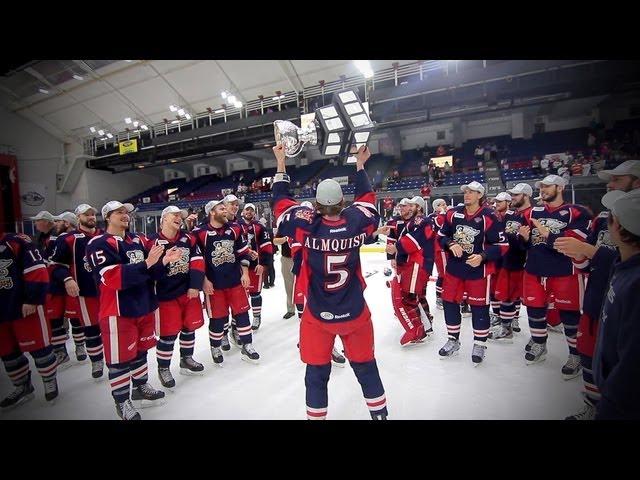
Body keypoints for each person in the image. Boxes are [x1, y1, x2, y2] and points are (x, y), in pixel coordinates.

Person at [272, 143, 388, 420]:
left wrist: (281, 162)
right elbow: (368, 198)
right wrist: (360, 165)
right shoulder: (359, 219)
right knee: (366, 368)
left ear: (317, 204)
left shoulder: (306, 223)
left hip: (317, 314)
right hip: (355, 311)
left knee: (316, 374)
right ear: (342, 202)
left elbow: (280, 204)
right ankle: (380, 415)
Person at [86, 201, 180, 420]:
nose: (125, 215)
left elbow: (152, 271)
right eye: (119, 212)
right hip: (118, 310)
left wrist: (163, 261)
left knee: (140, 351)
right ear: (107, 217)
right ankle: (122, 401)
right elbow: (112, 278)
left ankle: (140, 387)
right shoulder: (98, 243)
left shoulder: (138, 239)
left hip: (144, 305)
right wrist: (148, 263)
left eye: (126, 212)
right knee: (119, 359)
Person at [518, 175, 592, 377]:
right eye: (541, 187)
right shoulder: (533, 211)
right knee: (534, 310)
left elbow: (575, 244)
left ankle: (575, 354)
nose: (542, 190)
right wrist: (523, 239)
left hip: (564, 271)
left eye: (547, 186)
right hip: (534, 268)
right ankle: (540, 345)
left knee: (569, 314)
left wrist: (549, 234)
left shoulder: (577, 212)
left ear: (560, 188)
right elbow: (526, 242)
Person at [437, 181, 508, 364]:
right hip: (454, 269)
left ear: (480, 195)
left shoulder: (490, 216)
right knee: (450, 304)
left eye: (472, 192)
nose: (467, 194)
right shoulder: (453, 213)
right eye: (466, 191)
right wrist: (450, 244)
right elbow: (441, 236)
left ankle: (479, 343)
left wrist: (482, 256)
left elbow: (502, 245)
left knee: (479, 308)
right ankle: (453, 340)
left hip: (478, 271)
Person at [587, 189, 640, 419]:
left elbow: (631, 365)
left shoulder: (635, 282)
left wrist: (609, 406)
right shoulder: (624, 266)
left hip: (619, 403)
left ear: (617, 227)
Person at [144, 206, 206, 389]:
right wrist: (163, 262)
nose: (179, 218)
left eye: (181, 216)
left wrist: (195, 285)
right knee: (168, 334)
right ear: (164, 218)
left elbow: (197, 261)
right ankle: (163, 367)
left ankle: (186, 358)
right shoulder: (152, 242)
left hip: (188, 291)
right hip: (165, 295)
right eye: (175, 215)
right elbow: (148, 271)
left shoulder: (188, 238)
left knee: (189, 327)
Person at [192, 200, 259, 366]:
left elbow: (243, 253)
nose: (225, 211)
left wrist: (245, 274)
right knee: (217, 319)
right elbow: (197, 260)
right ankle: (215, 346)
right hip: (214, 285)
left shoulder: (234, 229)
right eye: (221, 209)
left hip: (235, 281)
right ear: (211, 212)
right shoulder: (199, 233)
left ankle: (247, 345)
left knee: (242, 313)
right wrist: (204, 280)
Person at [0, 231, 59, 409]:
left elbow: (38, 270)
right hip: (2, 311)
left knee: (39, 347)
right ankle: (22, 386)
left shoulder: (16, 241)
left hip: (24, 306)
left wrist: (32, 299)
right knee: (7, 351)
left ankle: (50, 380)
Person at [49, 205, 105, 380]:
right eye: (86, 214)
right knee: (91, 328)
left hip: (109, 290)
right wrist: (67, 279)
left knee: (112, 327)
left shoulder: (105, 235)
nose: (91, 217)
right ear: (77, 217)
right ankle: (97, 360)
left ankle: (116, 359)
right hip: (86, 292)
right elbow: (56, 265)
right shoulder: (68, 239)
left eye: (92, 214)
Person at [385, 196, 436, 346]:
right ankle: (425, 327)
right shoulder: (400, 221)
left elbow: (415, 241)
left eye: (411, 205)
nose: (405, 208)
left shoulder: (422, 221)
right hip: (408, 263)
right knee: (412, 295)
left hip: (416, 263)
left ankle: (419, 330)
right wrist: (392, 255)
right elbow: (392, 240)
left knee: (411, 296)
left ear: (418, 207)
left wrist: (396, 249)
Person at [489, 184, 533, 341]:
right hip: (509, 260)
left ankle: (510, 327)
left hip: (524, 263)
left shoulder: (533, 215)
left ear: (526, 196)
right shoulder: (511, 215)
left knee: (519, 298)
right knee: (506, 295)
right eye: (512, 195)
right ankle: (506, 326)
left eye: (516, 195)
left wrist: (520, 239)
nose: (513, 198)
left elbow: (530, 242)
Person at [238, 203, 273, 330]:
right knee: (240, 295)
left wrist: (263, 264)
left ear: (254, 213)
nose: (249, 212)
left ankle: (256, 316)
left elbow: (267, 247)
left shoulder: (259, 227)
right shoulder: (236, 226)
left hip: (256, 266)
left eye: (251, 210)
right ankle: (240, 320)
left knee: (255, 293)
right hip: (240, 268)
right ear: (243, 211)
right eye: (247, 209)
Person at [427, 198, 448, 309]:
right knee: (443, 274)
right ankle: (440, 297)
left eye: (444, 204)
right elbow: (441, 224)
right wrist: (443, 213)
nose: (444, 206)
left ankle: (445, 295)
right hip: (440, 250)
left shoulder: (447, 214)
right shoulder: (432, 217)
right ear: (436, 207)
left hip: (447, 249)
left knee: (448, 273)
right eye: (441, 204)